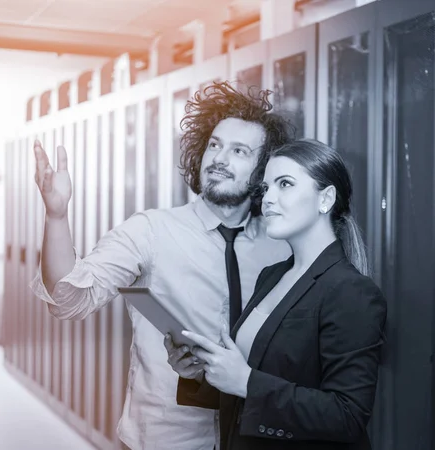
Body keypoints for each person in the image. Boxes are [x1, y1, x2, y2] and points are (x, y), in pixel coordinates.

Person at [30, 82, 294, 450]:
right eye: (214, 145)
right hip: (164, 440)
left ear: (264, 169)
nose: (219, 158)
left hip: (254, 437)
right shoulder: (151, 230)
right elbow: (68, 301)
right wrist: (56, 217)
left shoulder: (280, 246)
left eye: (239, 151)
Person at [167, 139, 387, 450]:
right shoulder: (271, 276)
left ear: (325, 199)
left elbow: (347, 415)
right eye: (266, 188)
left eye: (285, 184)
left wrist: (246, 381)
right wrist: (199, 375)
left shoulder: (352, 292)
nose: (268, 198)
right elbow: (251, 386)